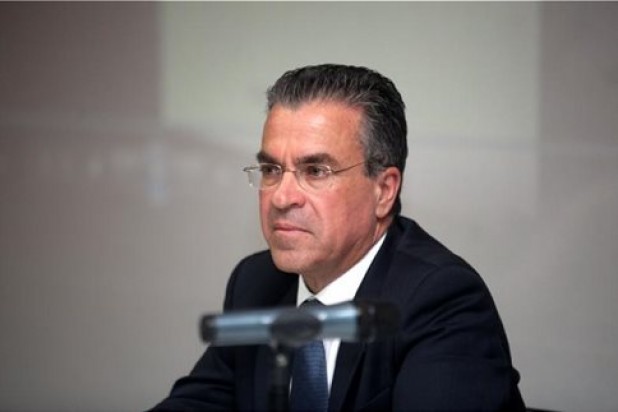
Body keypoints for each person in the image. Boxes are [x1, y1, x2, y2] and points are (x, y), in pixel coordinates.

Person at [148, 64, 525, 411]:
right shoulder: (256, 283)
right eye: (271, 169)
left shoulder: (441, 299)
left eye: (315, 171)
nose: (281, 197)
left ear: (383, 190)